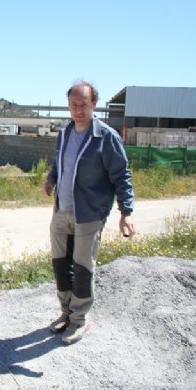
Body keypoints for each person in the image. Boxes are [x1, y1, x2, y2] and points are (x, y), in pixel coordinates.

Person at [43, 80, 135, 344]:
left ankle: (79, 320)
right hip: (62, 211)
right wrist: (51, 179)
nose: (78, 110)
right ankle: (65, 313)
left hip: (90, 214)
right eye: (74, 105)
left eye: (84, 105)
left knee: (82, 267)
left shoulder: (106, 137)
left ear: (94, 104)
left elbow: (122, 175)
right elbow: (58, 162)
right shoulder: (64, 133)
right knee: (61, 264)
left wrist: (126, 211)